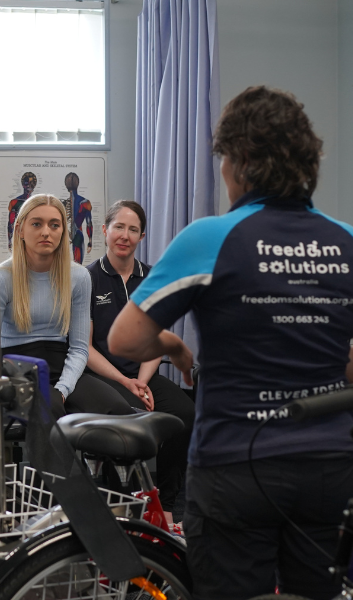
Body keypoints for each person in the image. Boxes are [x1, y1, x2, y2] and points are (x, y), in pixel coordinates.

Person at [108, 86, 353, 600]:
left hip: (235, 467)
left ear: (239, 162)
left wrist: (175, 348)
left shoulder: (210, 237)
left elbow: (125, 338)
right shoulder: (345, 241)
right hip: (328, 468)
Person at [84, 200, 194, 527]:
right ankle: (128, 512)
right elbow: (85, 347)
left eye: (133, 230)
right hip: (105, 378)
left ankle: (169, 506)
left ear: (142, 236)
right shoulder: (87, 279)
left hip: (144, 374)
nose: (125, 236)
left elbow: (156, 338)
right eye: (119, 227)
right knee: (130, 422)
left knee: (185, 414)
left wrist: (143, 381)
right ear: (105, 231)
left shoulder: (151, 277)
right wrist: (125, 381)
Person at [0, 194, 122, 419]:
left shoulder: (79, 277)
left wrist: (63, 388)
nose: (46, 232)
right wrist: (1, 388)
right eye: (36, 224)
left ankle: (99, 455)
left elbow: (80, 348)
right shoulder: (3, 277)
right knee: (50, 408)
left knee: (117, 411)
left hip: (61, 365)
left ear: (63, 231)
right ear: (21, 230)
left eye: (54, 225)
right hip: (17, 369)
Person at [65, 172, 94, 263]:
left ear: (66, 185)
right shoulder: (84, 202)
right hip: (77, 234)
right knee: (78, 265)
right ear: (78, 184)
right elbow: (89, 223)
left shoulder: (62, 204)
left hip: (67, 237)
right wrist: (90, 241)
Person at [7, 172, 37, 250]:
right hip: (18, 240)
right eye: (27, 183)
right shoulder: (15, 202)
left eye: (32, 184)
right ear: (23, 184)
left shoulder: (36, 203)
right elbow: (11, 224)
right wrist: (10, 241)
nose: (29, 186)